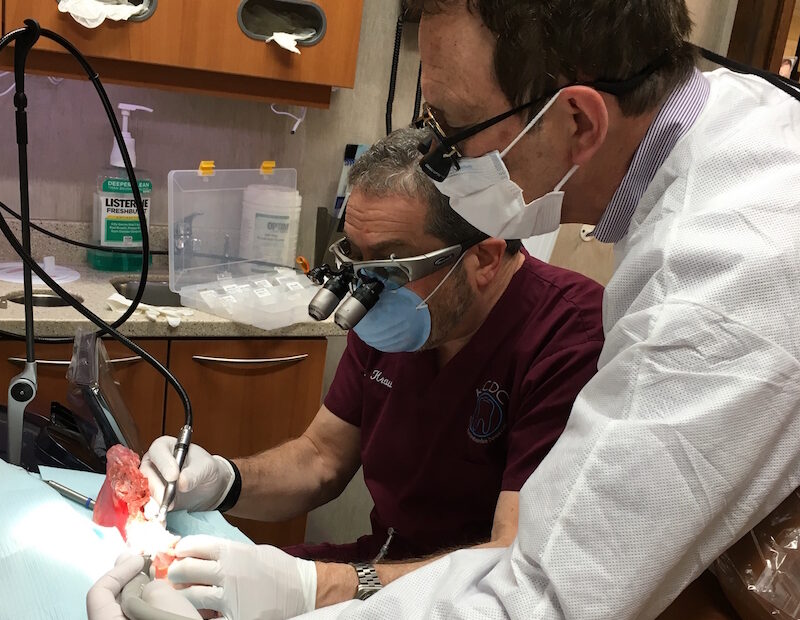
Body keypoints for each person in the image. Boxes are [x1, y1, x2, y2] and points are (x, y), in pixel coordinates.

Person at [290, 0, 797, 618]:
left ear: (578, 122)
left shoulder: (711, 287)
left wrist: (309, 594)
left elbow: (544, 598)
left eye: (453, 130)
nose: (437, 162)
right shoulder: (733, 117)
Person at [87, 126, 606, 619]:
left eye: (389, 267)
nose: (366, 292)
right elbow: (322, 457)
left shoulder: (570, 337)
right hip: (377, 564)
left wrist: (318, 587)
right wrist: (225, 480)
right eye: (356, 260)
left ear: (485, 259)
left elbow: (511, 560)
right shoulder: (393, 318)